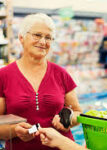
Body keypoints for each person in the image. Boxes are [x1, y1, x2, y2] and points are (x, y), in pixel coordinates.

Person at [0, 13, 82, 150]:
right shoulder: (4, 75)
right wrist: (15, 130)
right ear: (21, 38)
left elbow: (78, 112)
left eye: (48, 37)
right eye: (37, 35)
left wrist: (68, 120)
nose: (43, 42)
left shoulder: (61, 74)